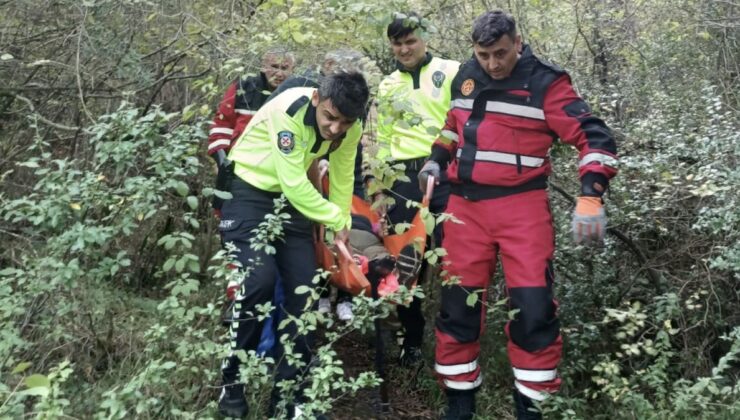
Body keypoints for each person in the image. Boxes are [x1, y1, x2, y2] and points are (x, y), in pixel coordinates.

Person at [419, 10, 618, 419]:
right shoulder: (466, 75)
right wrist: (437, 158)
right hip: (464, 208)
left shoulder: (546, 82)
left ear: (518, 42)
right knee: (457, 308)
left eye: (501, 53)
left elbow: (594, 136)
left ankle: (531, 409)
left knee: (533, 310)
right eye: (484, 54)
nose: (493, 63)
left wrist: (591, 195)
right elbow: (453, 126)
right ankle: (459, 406)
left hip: (520, 208)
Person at [216, 72, 370, 418]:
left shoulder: (351, 127)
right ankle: (232, 383)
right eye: (330, 118)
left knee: (304, 290)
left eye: (344, 123)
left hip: (292, 205)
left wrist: (340, 225)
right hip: (248, 192)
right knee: (258, 283)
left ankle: (289, 394)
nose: (334, 129)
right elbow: (293, 182)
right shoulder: (289, 110)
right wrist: (335, 218)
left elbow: (343, 177)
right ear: (317, 99)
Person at [373, 11, 460, 367]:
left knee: (454, 258)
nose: (405, 48)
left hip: (445, 173)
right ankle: (410, 341)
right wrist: (379, 188)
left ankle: (455, 344)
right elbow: (382, 139)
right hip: (402, 179)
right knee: (406, 262)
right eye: (398, 43)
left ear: (424, 39)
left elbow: (464, 119)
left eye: (411, 41)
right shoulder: (387, 84)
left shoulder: (451, 70)